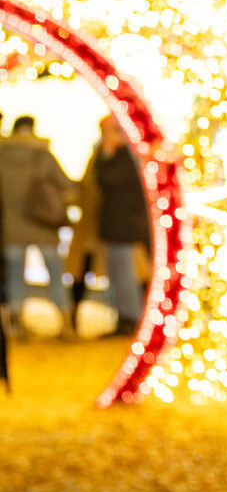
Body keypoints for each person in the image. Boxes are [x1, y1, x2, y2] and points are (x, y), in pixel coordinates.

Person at [67, 115, 151, 336]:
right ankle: (126, 318)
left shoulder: (124, 157)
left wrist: (105, 155)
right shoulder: (122, 156)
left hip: (124, 227)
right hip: (118, 226)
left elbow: (107, 180)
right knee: (119, 274)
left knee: (125, 275)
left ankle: (130, 319)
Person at [0, 116, 77, 339]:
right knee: (55, 275)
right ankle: (66, 325)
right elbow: (67, 186)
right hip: (44, 226)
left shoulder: (2, 155)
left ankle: (17, 327)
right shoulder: (42, 156)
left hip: (12, 228)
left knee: (15, 277)